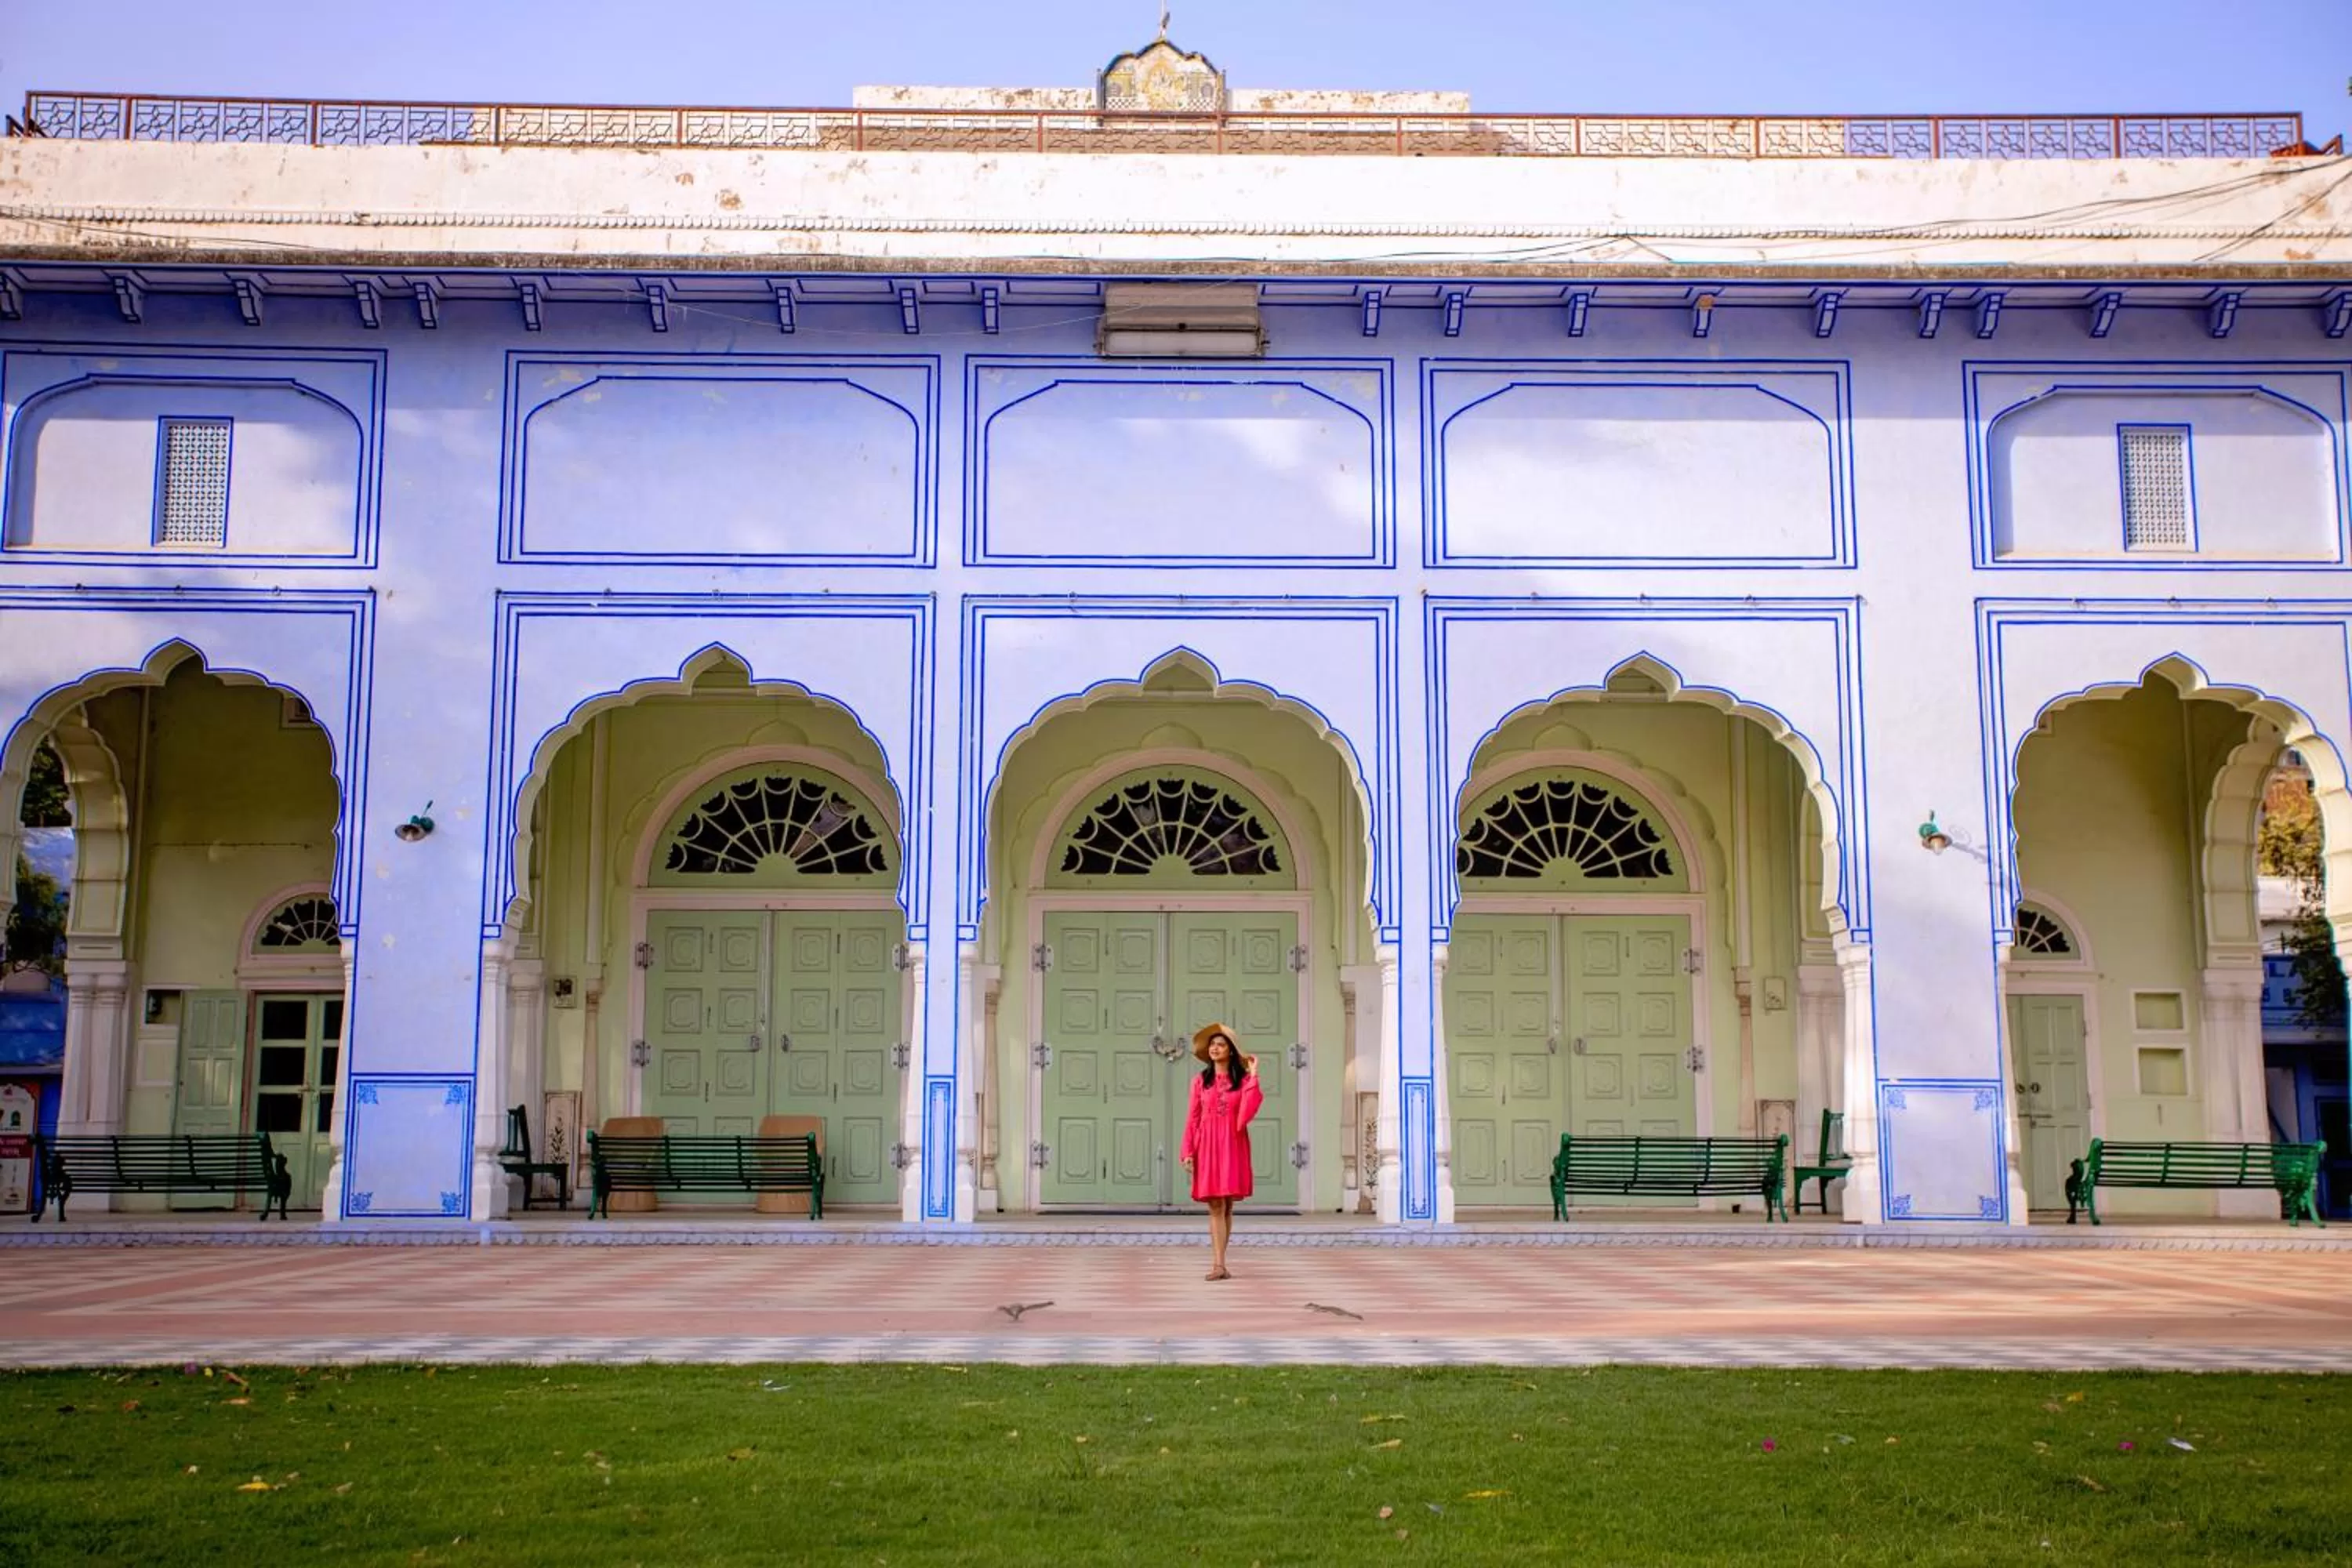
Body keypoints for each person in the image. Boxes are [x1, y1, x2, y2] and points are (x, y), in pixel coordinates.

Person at [1179, 1022, 1262, 1281]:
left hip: (1233, 1142)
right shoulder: (1199, 1082)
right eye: (1212, 1044)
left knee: (1226, 1205)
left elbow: (1248, 1111)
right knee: (1215, 1204)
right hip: (1207, 1143)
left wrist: (1254, 1074)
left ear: (1230, 1051)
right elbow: (1192, 1118)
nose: (1215, 1048)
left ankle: (1221, 1263)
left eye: (1221, 1044)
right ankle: (1218, 1264)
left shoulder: (1244, 1082)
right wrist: (1188, 1150)